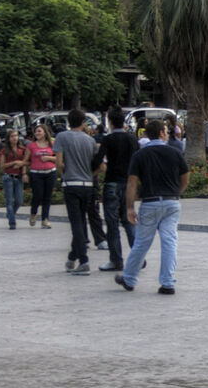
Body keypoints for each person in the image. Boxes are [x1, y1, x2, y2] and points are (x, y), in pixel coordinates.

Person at [116, 116, 186, 294]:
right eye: (166, 131)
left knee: (142, 242)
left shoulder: (140, 155)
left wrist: (129, 207)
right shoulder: (175, 152)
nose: (168, 134)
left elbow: (132, 183)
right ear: (161, 133)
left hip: (150, 202)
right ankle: (168, 282)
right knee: (169, 242)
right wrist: (177, 192)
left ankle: (129, 279)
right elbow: (185, 177)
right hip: (171, 202)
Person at [51, 110, 100, 275]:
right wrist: (90, 175)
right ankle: (72, 257)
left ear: (68, 121)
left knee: (76, 223)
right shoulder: (90, 140)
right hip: (87, 184)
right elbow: (99, 165)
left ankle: (84, 261)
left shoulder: (62, 137)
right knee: (81, 221)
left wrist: (64, 174)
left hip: (71, 184)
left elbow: (59, 162)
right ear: (83, 122)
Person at [97, 108, 137, 275]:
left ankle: (116, 260)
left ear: (111, 123)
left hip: (112, 182)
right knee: (129, 220)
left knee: (112, 224)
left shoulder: (108, 139)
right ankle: (138, 257)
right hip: (128, 184)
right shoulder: (132, 139)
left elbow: (98, 159)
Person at [23, 124, 57, 228]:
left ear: (45, 133)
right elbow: (25, 160)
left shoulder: (52, 144)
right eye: (36, 131)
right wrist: (24, 173)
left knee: (47, 197)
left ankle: (45, 219)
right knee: (37, 195)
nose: (37, 133)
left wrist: (49, 158)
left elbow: (59, 158)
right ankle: (33, 213)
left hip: (50, 173)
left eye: (39, 131)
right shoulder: (31, 146)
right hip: (36, 173)